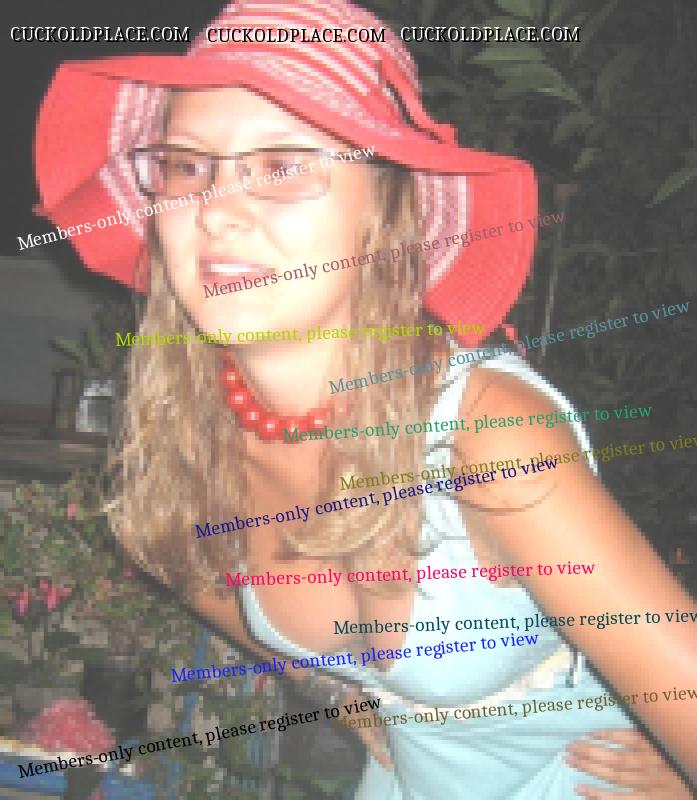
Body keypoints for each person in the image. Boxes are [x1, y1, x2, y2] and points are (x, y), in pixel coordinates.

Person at [34, 1, 695, 796]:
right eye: (185, 166)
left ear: (387, 213)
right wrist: (331, 689)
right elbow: (170, 553)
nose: (216, 209)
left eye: (282, 165)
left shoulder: (486, 435)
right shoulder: (190, 428)